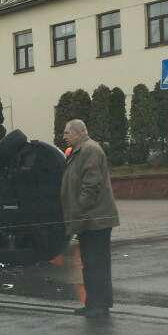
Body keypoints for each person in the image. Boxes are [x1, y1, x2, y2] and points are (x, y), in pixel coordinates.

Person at [61, 119, 119, 318]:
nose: (64, 136)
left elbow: (91, 185)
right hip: (88, 219)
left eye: (67, 132)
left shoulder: (90, 150)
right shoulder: (78, 151)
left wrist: (78, 209)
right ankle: (93, 302)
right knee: (90, 263)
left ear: (78, 133)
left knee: (97, 264)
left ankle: (100, 305)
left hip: (96, 219)